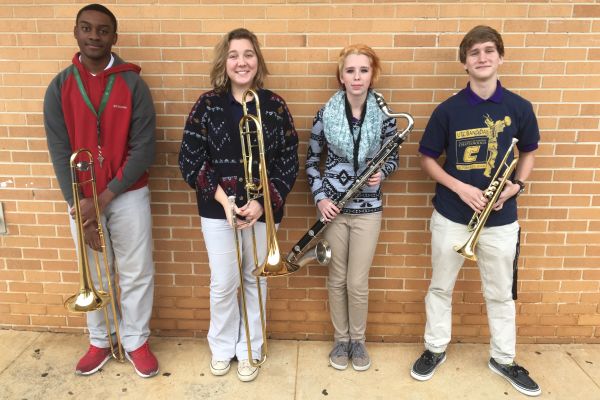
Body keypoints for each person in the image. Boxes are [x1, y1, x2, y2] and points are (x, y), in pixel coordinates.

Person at [410, 25, 541, 397]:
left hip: (501, 218)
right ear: (464, 63)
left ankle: (503, 357)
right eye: (474, 53)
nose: (481, 58)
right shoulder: (448, 109)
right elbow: (427, 159)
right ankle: (435, 348)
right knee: (440, 287)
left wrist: (516, 186)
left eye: (488, 51)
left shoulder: (519, 107)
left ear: (500, 56)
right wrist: (460, 187)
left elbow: (528, 151)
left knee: (500, 293)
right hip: (452, 214)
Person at [43, 4, 158, 378]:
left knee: (136, 270)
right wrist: (81, 206)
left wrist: (103, 198)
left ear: (114, 37)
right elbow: (61, 152)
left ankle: (136, 339)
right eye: (87, 28)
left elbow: (144, 149)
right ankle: (100, 339)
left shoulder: (133, 85)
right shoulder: (59, 86)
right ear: (76, 32)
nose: (95, 36)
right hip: (81, 197)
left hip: (127, 194)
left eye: (103, 30)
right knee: (92, 274)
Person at [178, 28, 299, 382]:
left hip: (263, 213)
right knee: (223, 282)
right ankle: (221, 346)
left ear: (257, 61)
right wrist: (224, 201)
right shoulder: (207, 104)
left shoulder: (274, 105)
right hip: (219, 211)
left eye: (248, 54)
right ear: (224, 62)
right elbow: (190, 159)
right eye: (233, 55)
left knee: (255, 280)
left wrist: (262, 202)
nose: (241, 61)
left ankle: (251, 348)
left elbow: (289, 159)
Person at [305, 44, 399, 372]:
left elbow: (394, 156)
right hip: (333, 209)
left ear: (372, 75)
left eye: (363, 70)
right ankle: (340, 339)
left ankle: (358, 341)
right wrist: (320, 197)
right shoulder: (325, 114)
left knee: (357, 281)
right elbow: (311, 162)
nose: (356, 77)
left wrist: (382, 172)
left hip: (368, 210)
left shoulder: (386, 117)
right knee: (336, 277)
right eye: (350, 71)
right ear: (341, 77)